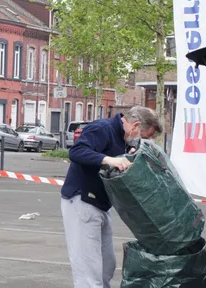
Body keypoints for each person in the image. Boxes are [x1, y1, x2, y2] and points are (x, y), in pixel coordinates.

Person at [61, 106, 162, 288]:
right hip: (82, 199)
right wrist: (109, 159)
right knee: (89, 270)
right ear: (135, 125)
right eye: (143, 136)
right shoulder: (102, 128)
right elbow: (76, 152)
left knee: (106, 266)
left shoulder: (123, 138)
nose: (141, 140)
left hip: (101, 203)